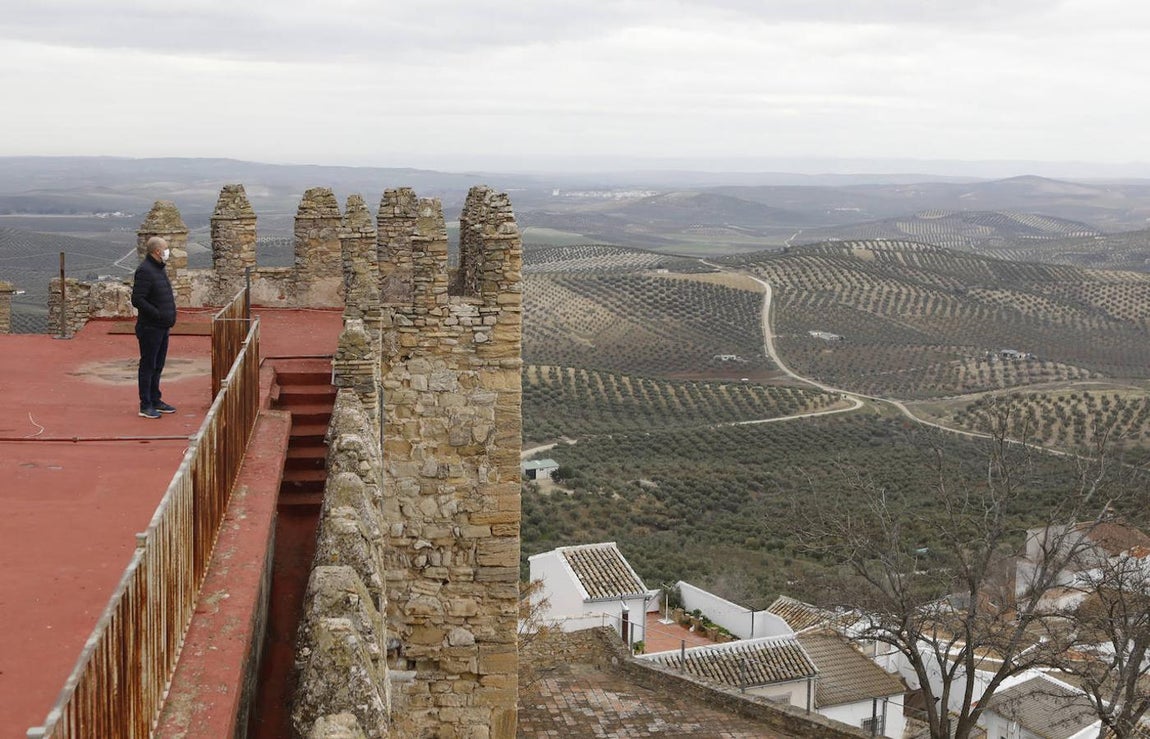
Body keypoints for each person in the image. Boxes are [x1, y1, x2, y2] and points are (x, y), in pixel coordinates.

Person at [131, 236, 178, 419]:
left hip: (162, 326)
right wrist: (157, 314)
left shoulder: (158, 268)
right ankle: (146, 405)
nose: (167, 251)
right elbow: (137, 299)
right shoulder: (145, 270)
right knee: (148, 365)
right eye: (165, 248)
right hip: (150, 327)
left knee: (158, 365)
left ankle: (155, 399)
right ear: (157, 251)